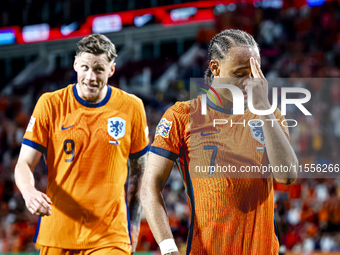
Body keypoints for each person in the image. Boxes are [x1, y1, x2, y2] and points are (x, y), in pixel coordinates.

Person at [141, 29, 298, 255]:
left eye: (255, 73)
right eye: (241, 73)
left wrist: (263, 109)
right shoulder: (182, 116)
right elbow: (149, 186)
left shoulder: (269, 115)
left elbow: (287, 175)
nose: (250, 82)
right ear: (215, 68)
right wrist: (168, 249)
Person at [14, 34, 149, 255]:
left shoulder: (132, 107)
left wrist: (133, 225)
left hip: (110, 236)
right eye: (85, 67)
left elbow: (140, 171)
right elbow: (23, 164)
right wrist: (29, 192)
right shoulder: (50, 104)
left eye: (99, 69)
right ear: (76, 64)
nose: (90, 76)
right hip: (57, 232)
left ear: (111, 70)